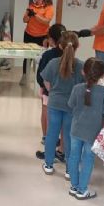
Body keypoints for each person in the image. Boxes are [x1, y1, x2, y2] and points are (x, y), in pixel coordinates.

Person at [67, 58, 104, 200]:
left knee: (74, 156)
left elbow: (70, 104)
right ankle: (82, 190)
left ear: (83, 72)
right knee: (87, 158)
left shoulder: (77, 88)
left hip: (76, 129)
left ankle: (74, 186)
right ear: (103, 75)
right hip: (92, 132)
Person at [41, 31, 84, 177]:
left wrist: (52, 91)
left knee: (51, 133)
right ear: (78, 46)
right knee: (69, 136)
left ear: (60, 45)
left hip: (54, 103)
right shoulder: (80, 66)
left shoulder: (53, 63)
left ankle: (48, 164)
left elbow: (46, 81)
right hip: (71, 106)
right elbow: (83, 86)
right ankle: (69, 170)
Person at [35, 23, 67, 160]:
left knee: (47, 115)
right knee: (64, 121)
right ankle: (62, 149)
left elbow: (41, 75)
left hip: (50, 92)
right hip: (66, 94)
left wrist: (42, 86)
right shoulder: (69, 54)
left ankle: (47, 140)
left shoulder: (48, 55)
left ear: (51, 39)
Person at [21, 0, 54, 85]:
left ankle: (41, 79)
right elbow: (24, 20)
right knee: (27, 57)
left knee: (41, 58)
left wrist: (35, 14)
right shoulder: (31, 6)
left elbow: (46, 21)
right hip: (29, 34)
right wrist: (28, 15)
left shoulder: (49, 7)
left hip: (42, 36)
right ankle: (24, 76)